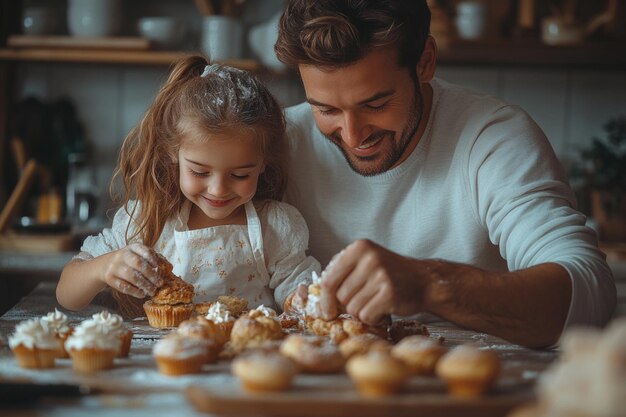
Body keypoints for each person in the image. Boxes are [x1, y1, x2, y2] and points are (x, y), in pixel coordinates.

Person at [274, 0, 616, 348]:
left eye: (375, 104)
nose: (352, 135)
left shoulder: (493, 137)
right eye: (326, 109)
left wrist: (430, 285)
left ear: (425, 62)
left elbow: (589, 297)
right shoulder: (280, 145)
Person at [56, 56, 320, 316]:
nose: (218, 189)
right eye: (199, 171)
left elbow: (298, 293)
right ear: (173, 154)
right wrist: (103, 268)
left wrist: (304, 300)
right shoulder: (146, 223)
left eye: (240, 175)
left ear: (263, 163)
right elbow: (67, 295)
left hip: (247, 357)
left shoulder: (273, 226)